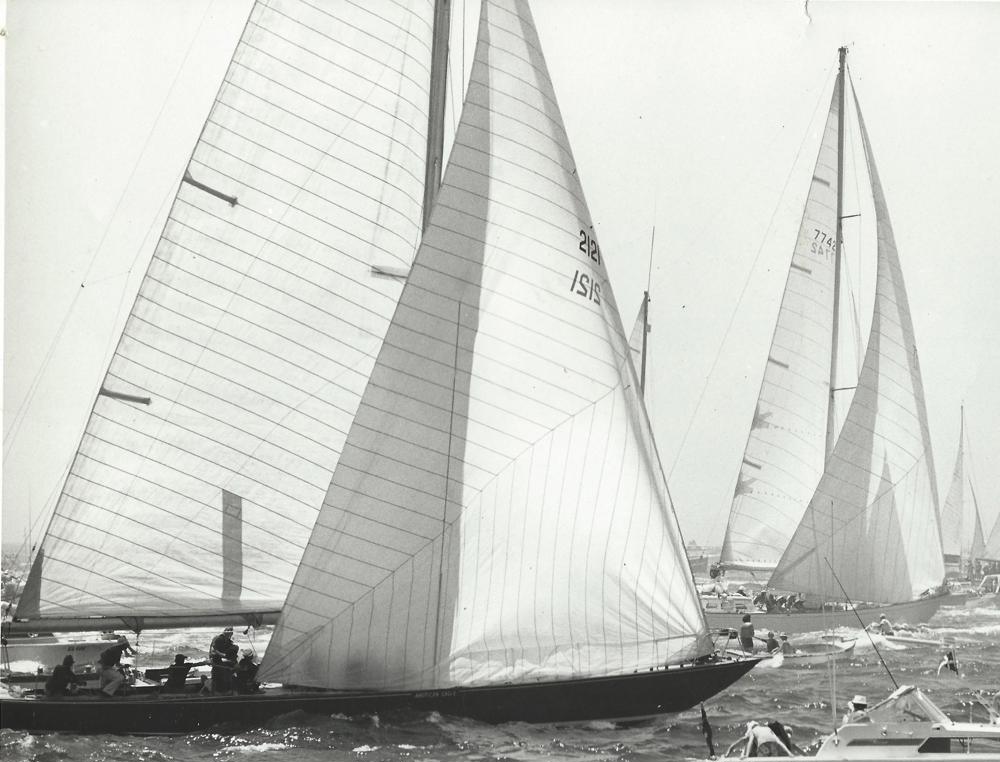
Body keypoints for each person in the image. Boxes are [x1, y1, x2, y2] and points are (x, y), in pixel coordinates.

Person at [209, 625, 239, 693]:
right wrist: (224, 656)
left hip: (224, 662)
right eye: (228, 631)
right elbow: (213, 652)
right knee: (218, 680)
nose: (230, 634)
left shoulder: (228, 641)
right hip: (217, 662)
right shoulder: (218, 639)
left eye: (231, 632)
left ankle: (229, 689)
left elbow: (230, 653)